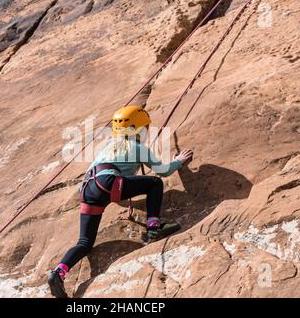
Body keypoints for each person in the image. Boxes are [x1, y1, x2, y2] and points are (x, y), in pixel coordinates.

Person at [48, 105, 193, 298]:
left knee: (85, 242)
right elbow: (163, 171)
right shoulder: (137, 147)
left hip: (89, 189)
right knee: (155, 183)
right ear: (139, 128)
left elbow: (107, 183)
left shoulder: (108, 148)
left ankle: (59, 272)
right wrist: (179, 161)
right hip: (109, 183)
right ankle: (154, 227)